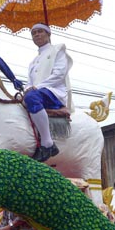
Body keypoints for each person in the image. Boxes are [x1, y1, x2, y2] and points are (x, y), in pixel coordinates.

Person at [24, 23, 72, 163]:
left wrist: (36, 87)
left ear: (48, 34)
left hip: (54, 92)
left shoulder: (58, 50)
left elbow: (59, 74)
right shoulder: (33, 62)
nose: (37, 35)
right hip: (38, 92)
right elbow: (29, 82)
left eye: (40, 31)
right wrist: (27, 89)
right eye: (34, 33)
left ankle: (47, 144)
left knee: (32, 96)